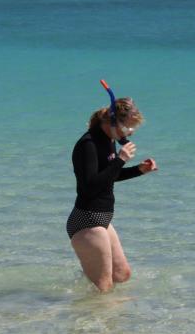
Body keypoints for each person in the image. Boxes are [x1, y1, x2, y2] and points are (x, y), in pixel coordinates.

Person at [67, 96, 158, 292]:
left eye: (133, 128)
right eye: (128, 127)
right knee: (104, 287)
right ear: (113, 122)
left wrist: (139, 170)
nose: (130, 132)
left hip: (102, 219)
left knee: (122, 275)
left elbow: (108, 176)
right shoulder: (88, 144)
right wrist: (120, 159)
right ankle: (91, 308)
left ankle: (82, 295)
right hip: (87, 220)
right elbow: (90, 186)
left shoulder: (109, 140)